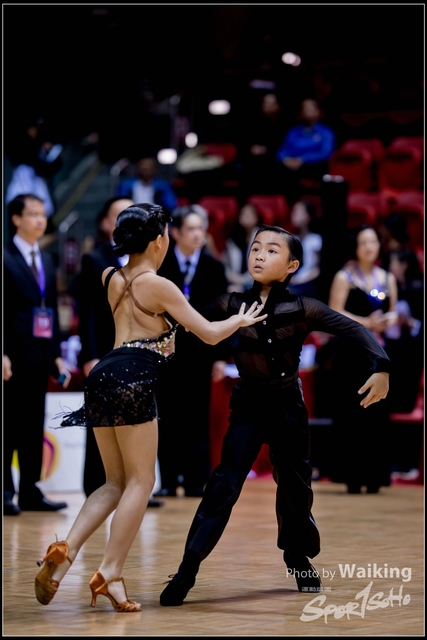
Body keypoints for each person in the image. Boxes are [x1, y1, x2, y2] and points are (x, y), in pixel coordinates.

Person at [34, 202, 266, 611]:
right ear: (159, 241)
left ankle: (65, 551)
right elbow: (209, 334)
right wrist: (241, 321)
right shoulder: (158, 285)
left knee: (114, 482)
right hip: (132, 378)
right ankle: (110, 573)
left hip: (102, 373)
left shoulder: (111, 276)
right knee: (142, 482)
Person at [159, 224, 391, 607]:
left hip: (287, 407)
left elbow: (353, 330)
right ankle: (188, 568)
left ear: (292, 265)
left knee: (296, 489)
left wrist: (381, 367)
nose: (259, 256)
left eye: (271, 250)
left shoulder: (303, 307)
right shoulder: (231, 303)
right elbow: (185, 326)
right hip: (247, 406)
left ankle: (297, 558)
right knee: (224, 485)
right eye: (256, 249)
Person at [70, 196, 162, 507]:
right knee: (102, 427)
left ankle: (135, 487)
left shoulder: (150, 259)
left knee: (134, 424)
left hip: (138, 359)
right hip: (106, 355)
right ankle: (97, 488)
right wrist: (89, 355)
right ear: (107, 223)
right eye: (120, 213)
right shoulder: (96, 260)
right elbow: (88, 313)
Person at [154, 205, 230, 497]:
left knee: (198, 416)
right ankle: (168, 480)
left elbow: (223, 313)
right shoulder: (161, 266)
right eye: (192, 229)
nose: (198, 234)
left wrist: (221, 357)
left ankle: (197, 479)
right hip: (166, 352)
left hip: (201, 352)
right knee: (168, 415)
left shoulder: (214, 267)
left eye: (201, 228)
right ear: (175, 232)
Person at [3, 194, 71, 516]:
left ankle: (30, 490)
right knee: (8, 424)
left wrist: (56, 354)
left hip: (39, 355)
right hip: (11, 357)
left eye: (42, 214)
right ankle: (5, 491)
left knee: (33, 425)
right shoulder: (5, 256)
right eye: (32, 214)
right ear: (16, 218)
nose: (40, 220)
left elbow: (50, 309)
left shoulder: (45, 258)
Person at [326, 224, 399, 494]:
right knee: (353, 412)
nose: (369, 247)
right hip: (351, 353)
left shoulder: (387, 278)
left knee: (377, 412)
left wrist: (388, 320)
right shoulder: (344, 276)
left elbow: (393, 312)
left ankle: (376, 475)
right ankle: (352, 476)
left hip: (379, 353)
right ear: (355, 247)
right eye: (363, 242)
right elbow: (334, 313)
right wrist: (367, 322)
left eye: (373, 242)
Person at [276, 98, 335, 205]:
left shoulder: (325, 132)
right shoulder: (293, 132)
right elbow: (282, 150)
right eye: (305, 108)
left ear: (318, 111)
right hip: (290, 167)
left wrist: (302, 159)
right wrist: (285, 159)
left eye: (311, 108)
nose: (307, 111)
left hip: (313, 168)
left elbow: (326, 153)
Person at [237, 92, 288, 198]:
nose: (267, 106)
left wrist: (267, 149)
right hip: (254, 159)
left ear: (277, 106)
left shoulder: (284, 124)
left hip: (275, 158)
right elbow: (245, 141)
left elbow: (285, 145)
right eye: (265, 103)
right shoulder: (253, 122)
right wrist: (252, 148)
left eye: (270, 103)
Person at [220, 203, 263, 293]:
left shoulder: (262, 237)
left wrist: (243, 281)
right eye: (244, 214)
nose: (247, 216)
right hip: (233, 281)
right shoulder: (231, 238)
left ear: (257, 217)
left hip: (255, 282)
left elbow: (262, 266)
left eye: (250, 214)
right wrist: (232, 277)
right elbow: (224, 265)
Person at [287, 199, 323, 299]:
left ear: (308, 216)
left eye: (298, 211)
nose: (293, 215)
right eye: (293, 211)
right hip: (292, 280)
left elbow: (317, 269)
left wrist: (298, 280)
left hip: (308, 282)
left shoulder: (315, 240)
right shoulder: (293, 238)